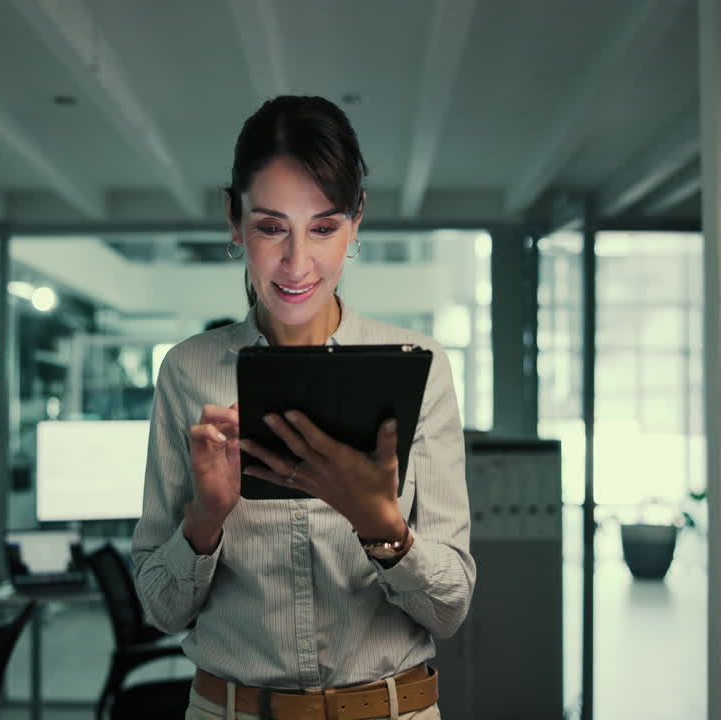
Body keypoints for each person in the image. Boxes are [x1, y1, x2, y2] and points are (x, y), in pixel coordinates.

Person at [132, 95, 474, 720]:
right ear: (233, 219)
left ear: (356, 220)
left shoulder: (422, 367)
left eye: (323, 227)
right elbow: (158, 608)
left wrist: (383, 528)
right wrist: (205, 520)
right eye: (270, 227)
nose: (297, 263)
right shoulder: (188, 371)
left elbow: (449, 609)